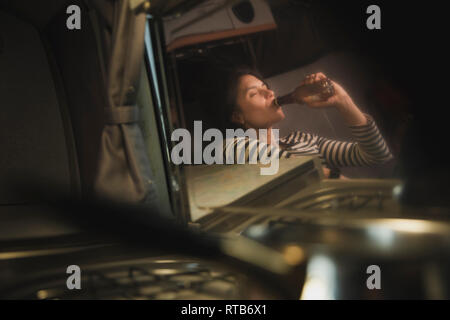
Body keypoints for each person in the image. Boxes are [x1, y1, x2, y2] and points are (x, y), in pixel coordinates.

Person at [217, 67, 393, 178]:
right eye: (254, 93)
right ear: (238, 117)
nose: (269, 93)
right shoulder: (232, 147)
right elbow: (293, 167)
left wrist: (344, 101)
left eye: (265, 87)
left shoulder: (302, 141)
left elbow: (377, 155)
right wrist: (346, 187)